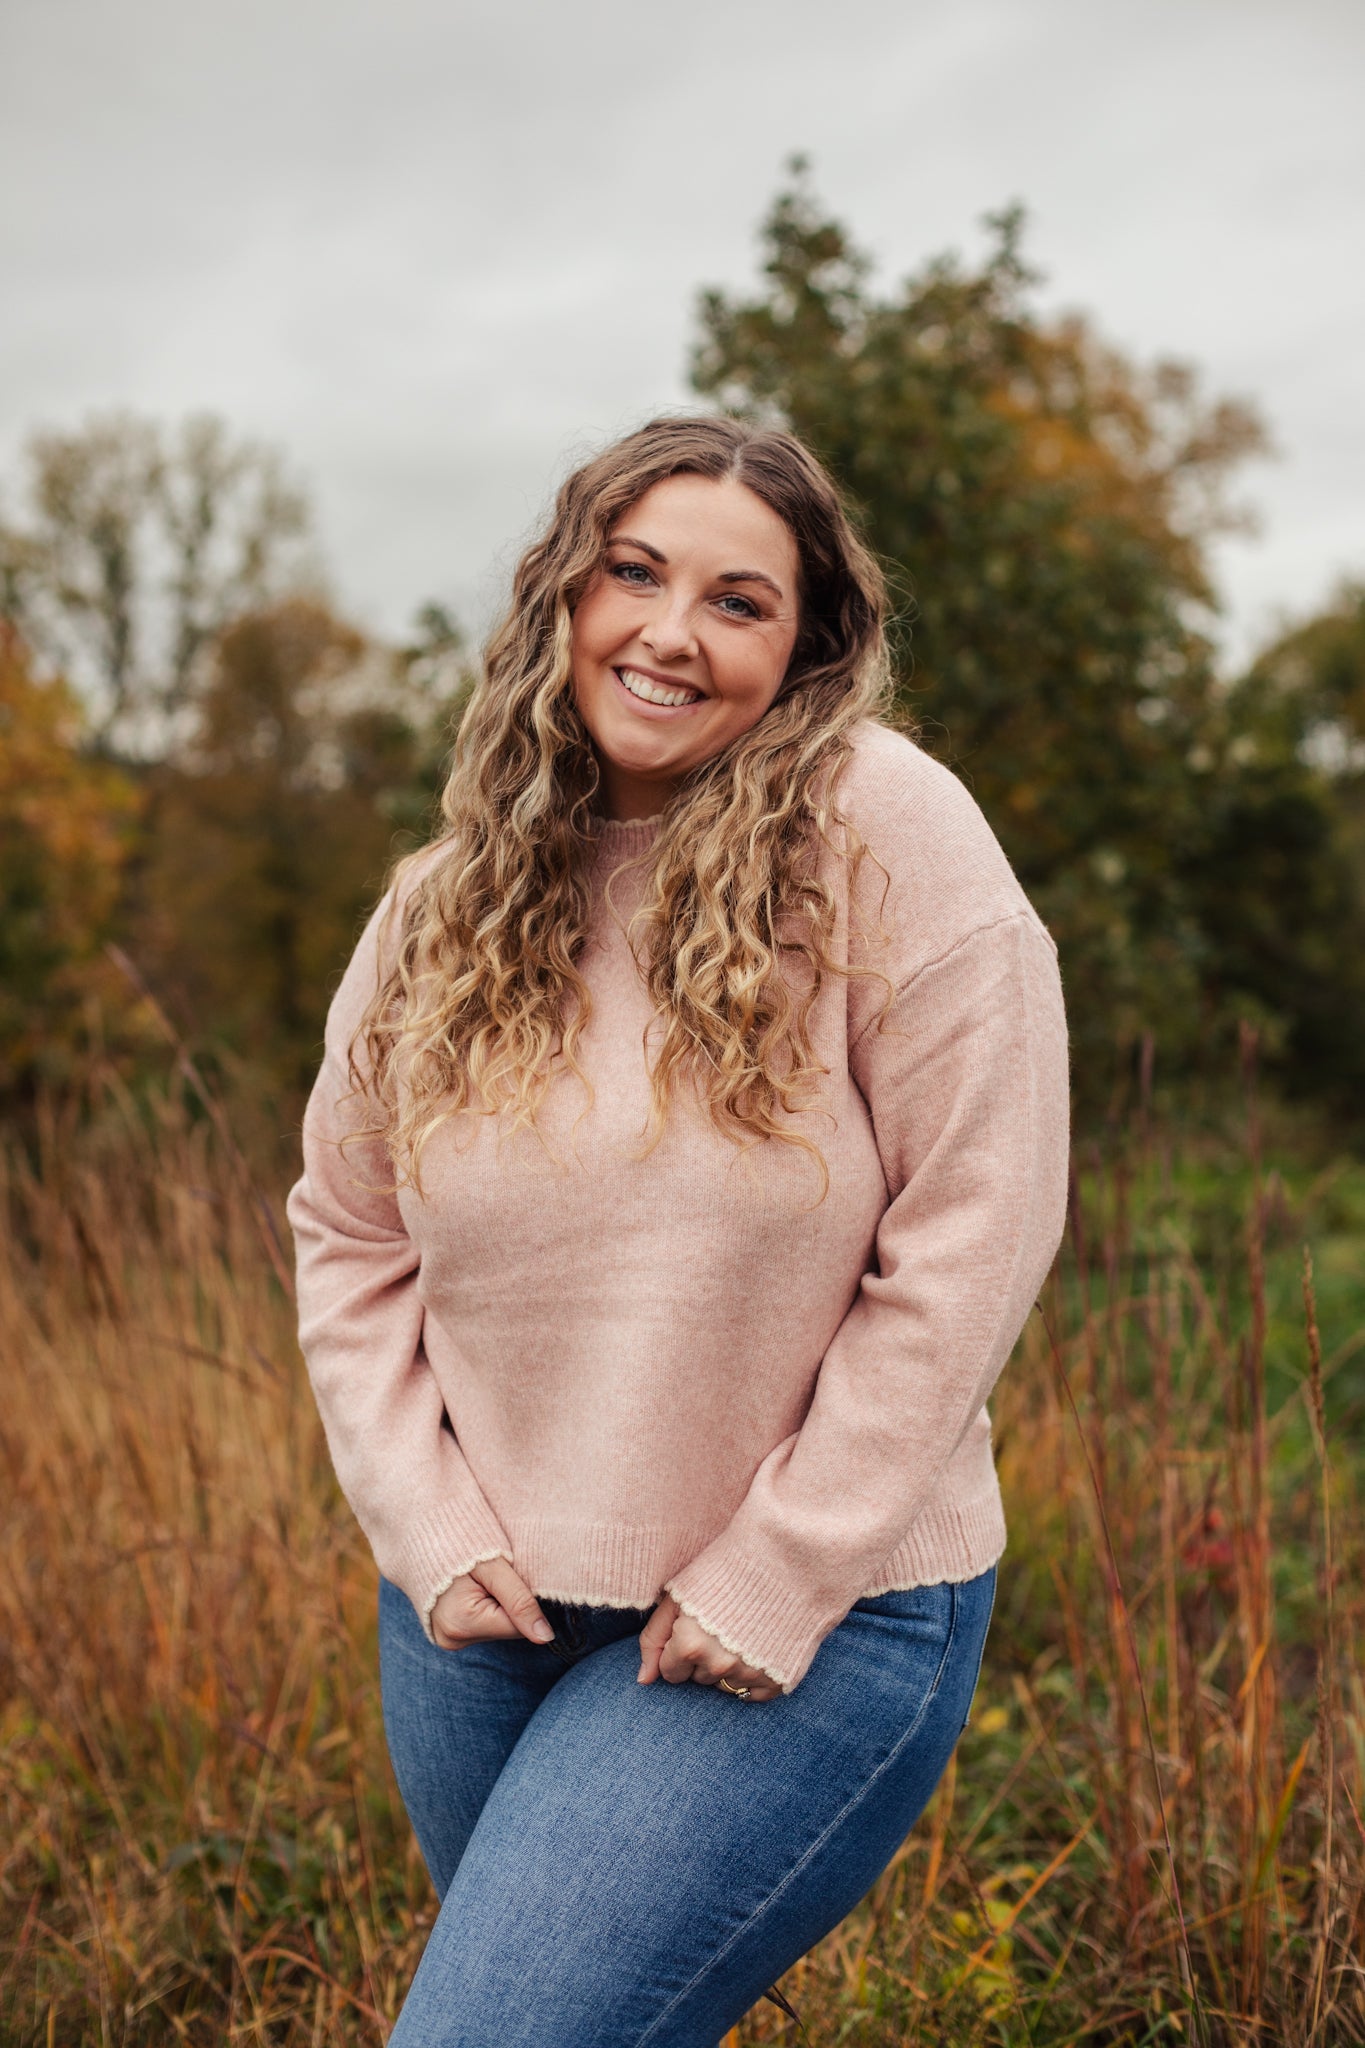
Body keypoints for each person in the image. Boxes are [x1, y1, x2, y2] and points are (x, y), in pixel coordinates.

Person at [286, 414, 1070, 2046]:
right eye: (632, 573)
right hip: (477, 1617)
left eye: (737, 601)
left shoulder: (882, 829)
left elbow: (980, 1219)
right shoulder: (446, 898)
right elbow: (347, 1231)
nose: (667, 632)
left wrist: (776, 1572)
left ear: (804, 648)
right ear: (563, 596)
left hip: (799, 1619)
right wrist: (424, 1529)